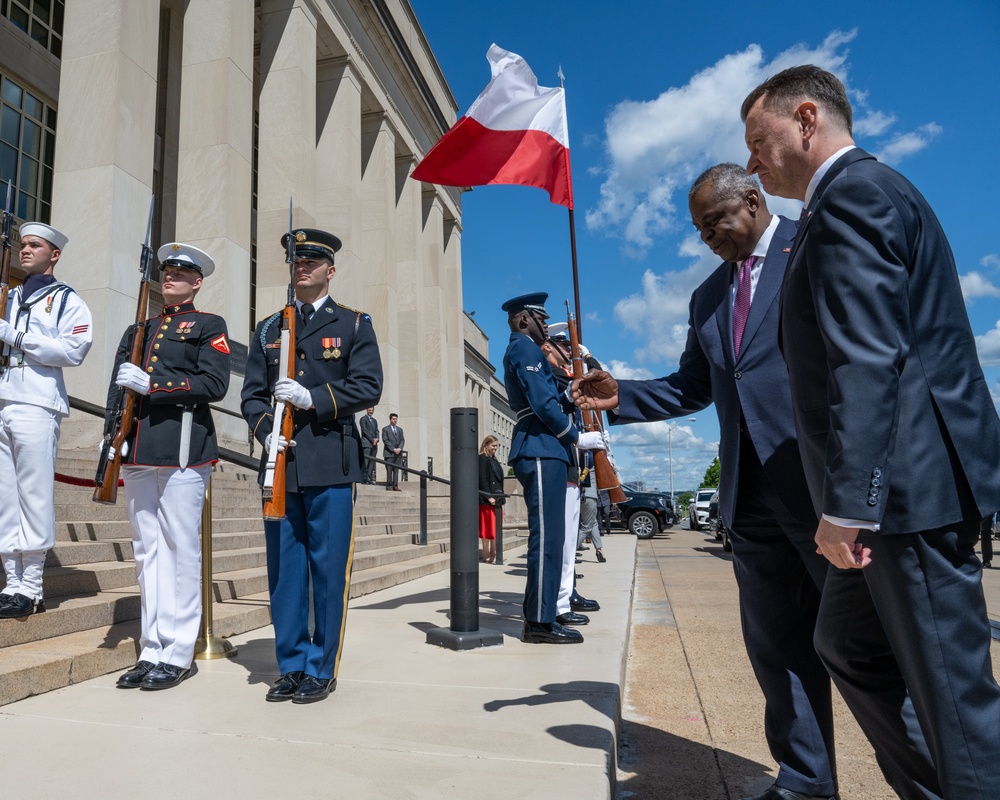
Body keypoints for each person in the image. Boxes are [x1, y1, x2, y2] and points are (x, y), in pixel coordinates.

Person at [741, 65, 1000, 799]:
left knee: (956, 700)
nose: (753, 165)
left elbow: (867, 355)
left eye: (759, 142)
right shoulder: (847, 203)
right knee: (846, 644)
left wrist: (849, 502)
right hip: (897, 496)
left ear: (806, 118)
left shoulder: (853, 194)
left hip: (906, 497)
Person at [573, 163, 836, 800]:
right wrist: (620, 394)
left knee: (875, 649)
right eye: (697, 228)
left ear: (752, 198)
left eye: (713, 221)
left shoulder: (818, 245)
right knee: (777, 649)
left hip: (825, 488)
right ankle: (805, 781)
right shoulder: (707, 297)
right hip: (751, 499)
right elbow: (694, 386)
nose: (704, 237)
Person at [241, 227, 382, 704]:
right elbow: (252, 397)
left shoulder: (354, 324)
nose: (302, 267)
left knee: (326, 570)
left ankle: (321, 667)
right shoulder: (268, 328)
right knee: (285, 572)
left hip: (329, 463)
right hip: (283, 466)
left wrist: (314, 398)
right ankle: (292, 664)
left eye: (312, 261)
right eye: (296, 261)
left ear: (330, 270)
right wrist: (268, 434)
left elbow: (367, 387)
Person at [109, 243, 230, 690]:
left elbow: (214, 383)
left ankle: (178, 652)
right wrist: (112, 439)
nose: (171, 279)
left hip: (182, 450)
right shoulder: (139, 328)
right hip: (138, 448)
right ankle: (151, 647)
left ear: (196, 283)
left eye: (180, 274)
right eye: (166, 273)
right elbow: (117, 388)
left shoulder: (208, 325)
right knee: (147, 552)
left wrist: (154, 384)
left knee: (180, 550)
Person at [0, 222, 92, 619]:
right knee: (5, 498)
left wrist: (16, 338)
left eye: (34, 245)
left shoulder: (66, 299)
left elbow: (73, 350)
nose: (25, 250)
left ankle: (32, 584)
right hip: (3, 398)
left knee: (33, 494)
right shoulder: (8, 295)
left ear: (54, 254)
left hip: (37, 401)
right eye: (22, 245)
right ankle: (11, 580)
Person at [501, 292, 604, 645]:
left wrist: (570, 393)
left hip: (548, 447)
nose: (545, 326)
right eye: (541, 320)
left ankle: (544, 616)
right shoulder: (523, 348)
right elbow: (541, 402)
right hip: (540, 446)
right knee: (546, 538)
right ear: (523, 319)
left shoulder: (528, 350)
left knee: (554, 538)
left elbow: (550, 396)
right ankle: (539, 622)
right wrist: (576, 436)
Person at [477, 434, 504, 563]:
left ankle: (494, 552)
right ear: (486, 445)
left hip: (498, 498)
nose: (495, 448)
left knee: (495, 527)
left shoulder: (494, 460)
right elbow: (482, 478)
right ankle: (486, 553)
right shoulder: (482, 459)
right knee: (486, 527)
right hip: (487, 499)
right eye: (493, 445)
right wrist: (489, 496)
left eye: (496, 446)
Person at [381, 413, 404, 491]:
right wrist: (393, 449)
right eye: (393, 419)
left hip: (398, 454)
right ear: (390, 419)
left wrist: (400, 448)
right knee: (389, 470)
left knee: (396, 470)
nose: (395, 420)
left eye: (396, 419)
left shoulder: (400, 430)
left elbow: (402, 440)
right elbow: (385, 440)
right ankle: (389, 485)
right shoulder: (385, 429)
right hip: (389, 453)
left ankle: (395, 485)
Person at [359, 407, 379, 484]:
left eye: (372, 410)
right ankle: (364, 478)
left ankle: (369, 477)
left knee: (372, 462)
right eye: (369, 410)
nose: (371, 411)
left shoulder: (374, 421)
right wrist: (372, 440)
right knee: (366, 461)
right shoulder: (363, 419)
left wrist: (377, 439)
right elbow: (365, 431)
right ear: (366, 410)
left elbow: (377, 430)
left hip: (374, 444)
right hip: (366, 443)